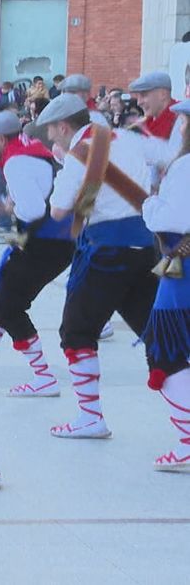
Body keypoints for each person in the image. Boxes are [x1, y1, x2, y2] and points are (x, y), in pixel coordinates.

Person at [37, 93, 158, 439]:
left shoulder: (79, 155)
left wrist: (66, 168)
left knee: (76, 331)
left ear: (63, 127)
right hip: (144, 245)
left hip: (107, 251)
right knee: (157, 333)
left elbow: (59, 211)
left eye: (50, 130)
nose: (49, 138)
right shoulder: (128, 140)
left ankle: (90, 417)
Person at [0, 112, 74, 396]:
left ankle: (44, 377)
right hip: (50, 240)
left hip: (45, 243)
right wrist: (8, 203)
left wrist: (6, 208)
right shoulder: (32, 151)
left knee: (9, 307)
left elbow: (33, 210)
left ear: (1, 139)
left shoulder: (15, 161)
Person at [140, 100, 190, 471]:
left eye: (182, 121)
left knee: (164, 352)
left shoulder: (185, 166)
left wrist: (151, 205)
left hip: (183, 269)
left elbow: (172, 217)